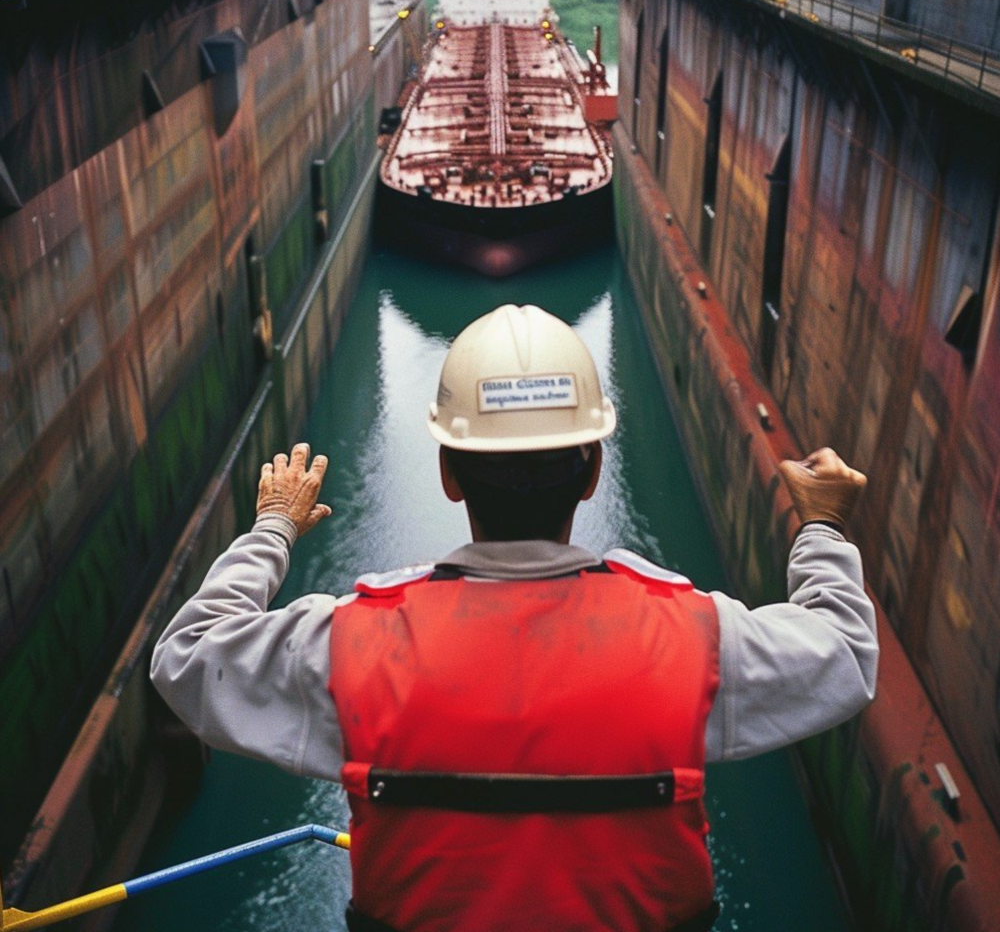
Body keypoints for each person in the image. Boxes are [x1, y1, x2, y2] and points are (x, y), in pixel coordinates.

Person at [151, 304, 877, 932]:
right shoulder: (692, 638)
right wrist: (821, 529)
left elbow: (185, 657)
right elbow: (845, 655)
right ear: (592, 472)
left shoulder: (351, 644)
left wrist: (272, 529)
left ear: (449, 471)